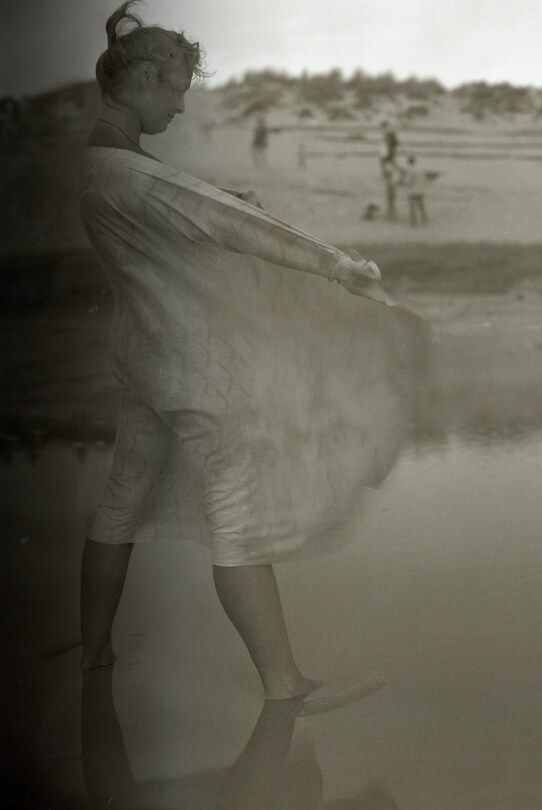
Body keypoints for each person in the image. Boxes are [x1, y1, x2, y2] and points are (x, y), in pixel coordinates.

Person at [80, 2, 427, 702]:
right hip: (189, 369)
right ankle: (283, 682)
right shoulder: (137, 177)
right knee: (237, 509)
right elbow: (233, 225)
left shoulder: (105, 163)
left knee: (123, 498)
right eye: (176, 90)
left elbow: (181, 202)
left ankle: (92, 655)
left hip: (142, 359)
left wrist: (217, 196)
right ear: (144, 79)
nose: (180, 106)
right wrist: (337, 265)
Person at [402, 154, 427, 227]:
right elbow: (424, 180)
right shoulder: (420, 169)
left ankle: (414, 221)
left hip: (413, 190)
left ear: (409, 162)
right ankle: (424, 220)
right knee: (421, 206)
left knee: (412, 207)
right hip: (420, 190)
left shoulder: (410, 170)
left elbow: (407, 181)